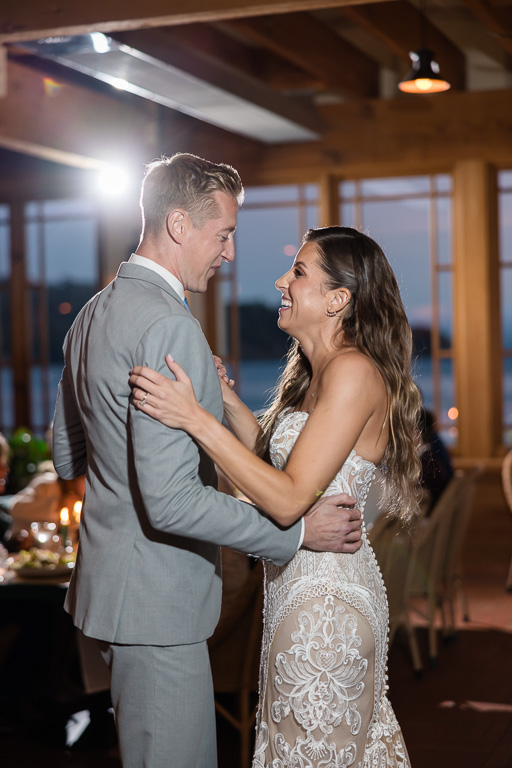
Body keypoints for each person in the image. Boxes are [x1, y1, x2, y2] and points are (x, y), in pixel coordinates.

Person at [52, 154, 363, 768]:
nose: (227, 252)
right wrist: (297, 533)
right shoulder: (171, 328)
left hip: (112, 595)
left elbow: (67, 454)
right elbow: (170, 502)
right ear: (177, 224)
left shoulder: (92, 312)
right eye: (222, 235)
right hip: (159, 600)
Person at [129, 225, 422, 767]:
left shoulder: (354, 371)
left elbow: (286, 500)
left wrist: (193, 418)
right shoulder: (318, 372)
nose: (281, 280)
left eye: (300, 271)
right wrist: (223, 400)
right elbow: (272, 468)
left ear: (339, 299)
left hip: (326, 604)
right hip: (297, 589)